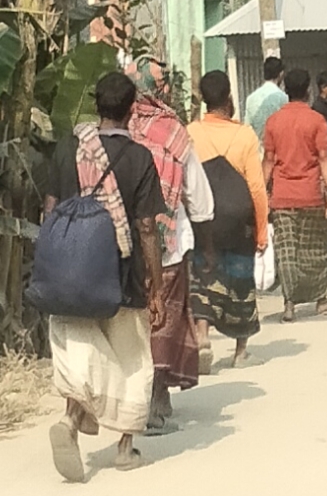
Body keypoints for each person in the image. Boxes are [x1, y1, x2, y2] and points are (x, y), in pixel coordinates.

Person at [45, 72, 166, 480]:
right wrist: (157, 286)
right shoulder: (139, 158)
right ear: (132, 110)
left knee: (82, 349)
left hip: (72, 270)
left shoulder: (69, 148)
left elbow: (50, 210)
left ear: (96, 105)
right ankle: (125, 449)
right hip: (123, 273)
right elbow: (146, 226)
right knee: (132, 356)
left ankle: (69, 421)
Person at [125, 57, 215, 434]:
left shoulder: (116, 129)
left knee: (131, 324)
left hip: (122, 246)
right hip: (168, 246)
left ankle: (131, 399)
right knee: (163, 319)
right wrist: (206, 241)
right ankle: (156, 401)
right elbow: (200, 199)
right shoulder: (174, 133)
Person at [187, 70, 269, 370]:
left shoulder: (190, 132)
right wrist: (262, 230)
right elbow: (257, 187)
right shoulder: (245, 135)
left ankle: (202, 336)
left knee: (202, 275)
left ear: (203, 99)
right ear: (229, 98)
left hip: (202, 217)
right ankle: (240, 352)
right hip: (238, 220)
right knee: (240, 278)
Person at [263, 69, 327, 322]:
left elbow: (268, 160)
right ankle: (320, 299)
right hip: (310, 195)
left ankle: (289, 304)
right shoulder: (316, 120)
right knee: (315, 249)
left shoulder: (273, 121)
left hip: (282, 197)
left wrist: (262, 193)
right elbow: (324, 158)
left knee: (287, 250)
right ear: (308, 90)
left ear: (286, 90)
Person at [243, 56, 287, 142]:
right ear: (281, 74)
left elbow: (247, 128)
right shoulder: (283, 97)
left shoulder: (251, 98)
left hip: (257, 146)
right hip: (276, 145)